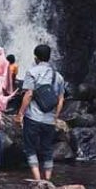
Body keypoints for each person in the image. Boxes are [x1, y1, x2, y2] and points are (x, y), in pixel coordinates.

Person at [15, 44, 65, 181]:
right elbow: (61, 99)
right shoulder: (58, 76)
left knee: (30, 148)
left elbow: (28, 94)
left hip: (33, 118)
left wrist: (20, 114)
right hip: (49, 120)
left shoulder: (32, 72)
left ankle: (38, 180)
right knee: (47, 149)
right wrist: (55, 117)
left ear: (36, 57)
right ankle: (47, 180)